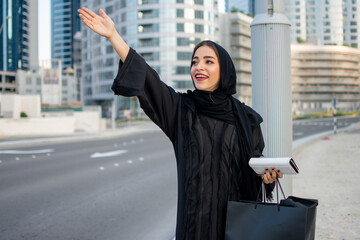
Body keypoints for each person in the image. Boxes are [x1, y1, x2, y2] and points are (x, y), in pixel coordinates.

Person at [78, 7, 283, 240]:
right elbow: (148, 79)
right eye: (195, 62)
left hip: (235, 228)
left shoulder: (247, 119)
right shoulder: (181, 110)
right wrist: (114, 36)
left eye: (208, 61)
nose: (199, 68)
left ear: (224, 69)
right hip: (193, 227)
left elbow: (255, 172)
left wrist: (267, 178)